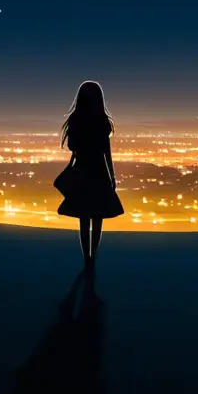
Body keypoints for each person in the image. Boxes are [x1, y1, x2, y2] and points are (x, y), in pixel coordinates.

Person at [54, 80, 124, 267]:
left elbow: (72, 147)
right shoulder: (102, 122)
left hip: (81, 171)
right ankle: (93, 259)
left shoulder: (76, 121)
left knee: (84, 218)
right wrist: (112, 176)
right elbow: (106, 152)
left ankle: (86, 259)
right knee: (97, 217)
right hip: (99, 172)